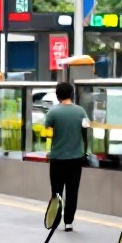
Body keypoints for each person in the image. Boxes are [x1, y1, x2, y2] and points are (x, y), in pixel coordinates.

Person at [43, 81, 90, 232]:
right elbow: (85, 132)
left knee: (56, 191)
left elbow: (47, 135)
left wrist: (49, 152)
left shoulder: (53, 113)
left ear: (57, 96)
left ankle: (55, 218)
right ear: (72, 94)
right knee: (72, 191)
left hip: (57, 158)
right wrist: (84, 151)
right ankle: (68, 222)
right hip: (76, 159)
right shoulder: (81, 112)